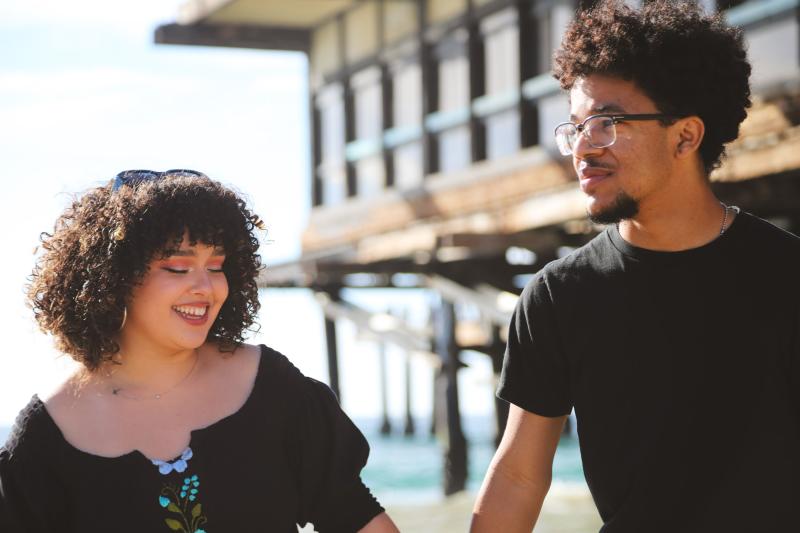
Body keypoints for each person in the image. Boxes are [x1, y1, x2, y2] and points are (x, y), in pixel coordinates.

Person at [471, 1, 800, 532]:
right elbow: (518, 477)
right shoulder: (558, 296)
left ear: (685, 136)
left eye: (605, 123)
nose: (581, 149)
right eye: (575, 127)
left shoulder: (787, 278)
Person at [0, 170, 400, 533]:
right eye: (178, 268)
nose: (206, 288)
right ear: (113, 278)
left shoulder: (272, 387)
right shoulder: (46, 437)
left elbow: (359, 520)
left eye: (216, 266)